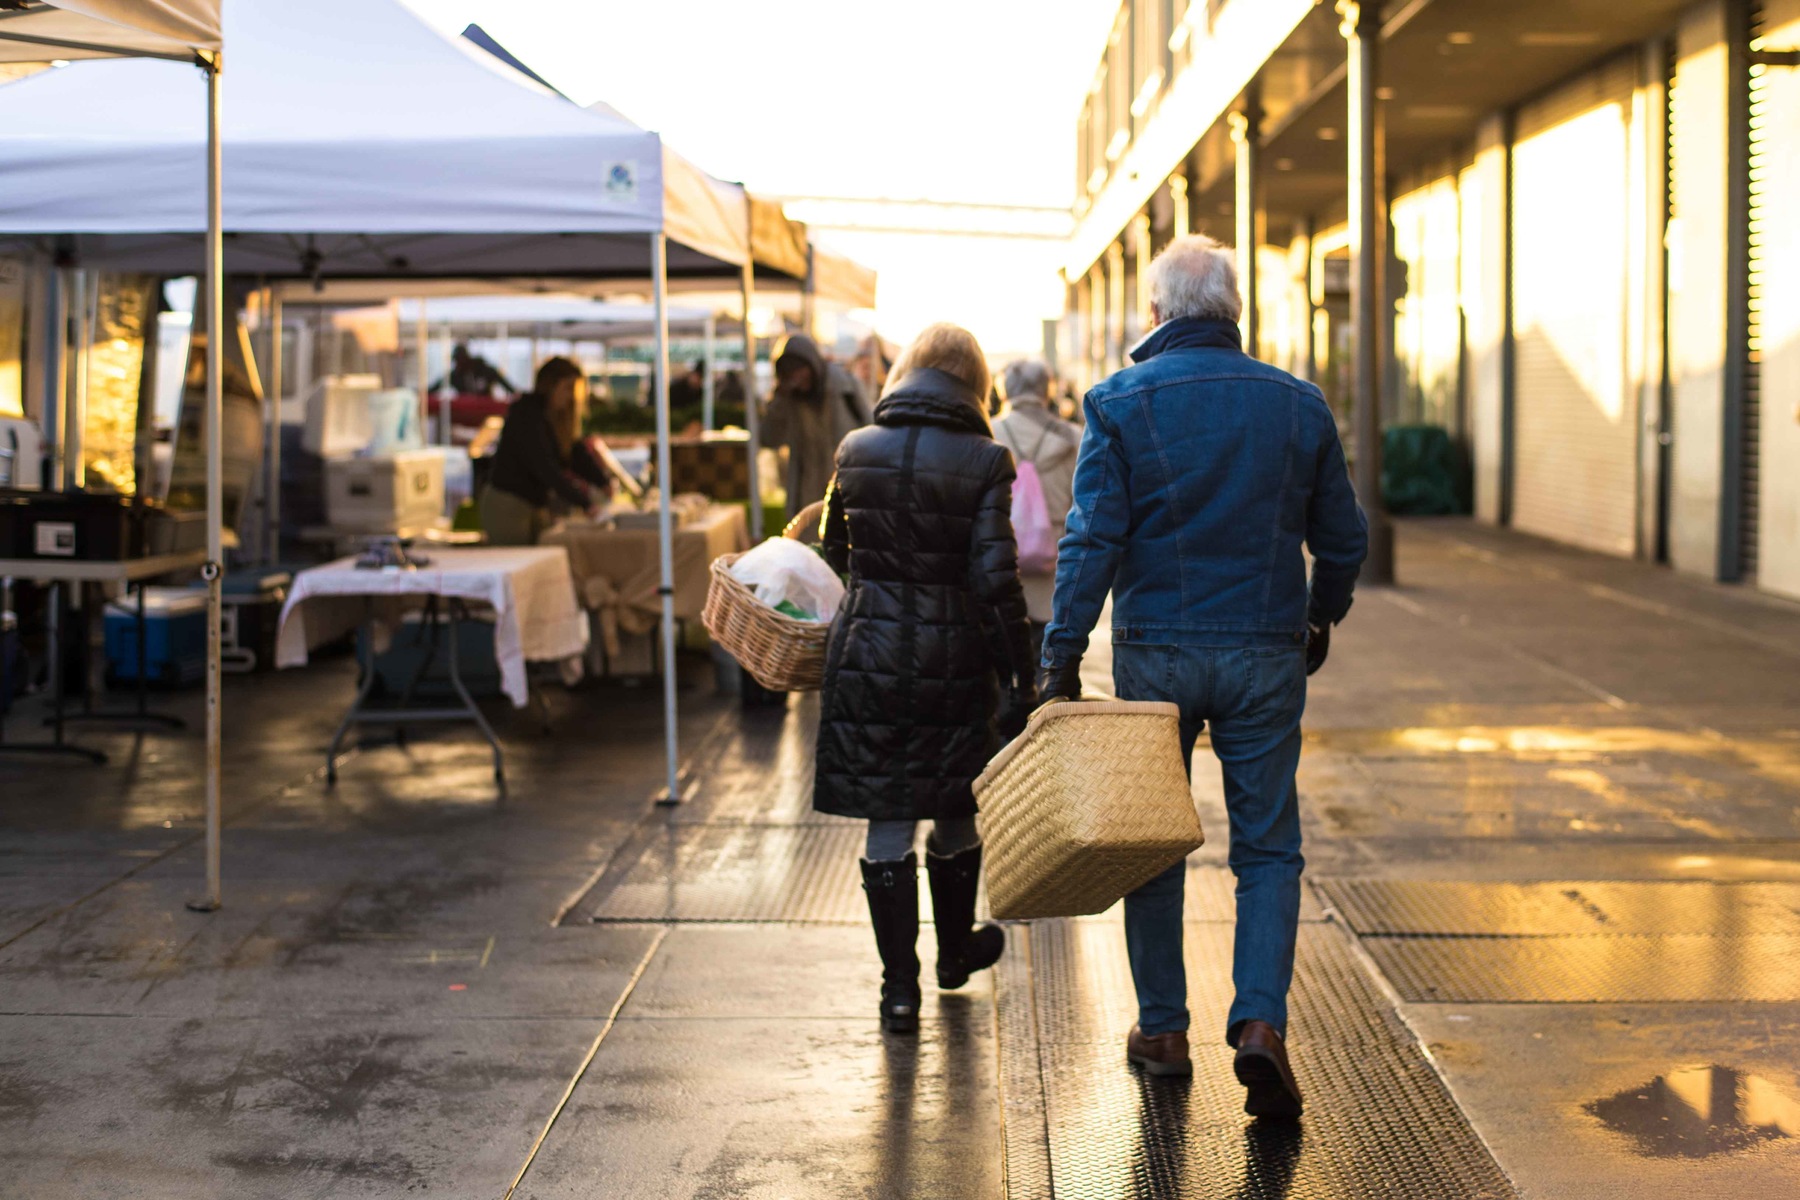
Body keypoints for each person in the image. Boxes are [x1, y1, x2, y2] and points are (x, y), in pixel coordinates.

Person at [1038, 234, 1368, 1118]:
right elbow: (1343, 537)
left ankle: (1164, 1030)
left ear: (1156, 314)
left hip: (1157, 655)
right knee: (1267, 848)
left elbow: (1092, 541)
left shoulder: (1117, 402)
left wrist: (1059, 656)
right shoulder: (1298, 405)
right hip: (1266, 649)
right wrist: (1318, 614)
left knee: (1153, 839)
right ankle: (1259, 1024)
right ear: (1232, 313)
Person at [814, 323, 1036, 1034]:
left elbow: (832, 552)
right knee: (955, 806)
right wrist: (1023, 675)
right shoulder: (986, 460)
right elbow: (995, 580)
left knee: (888, 818)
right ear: (975, 384)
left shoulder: (854, 450)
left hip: (868, 657)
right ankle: (954, 951)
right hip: (954, 661)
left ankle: (898, 989)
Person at [990, 359, 1080, 653]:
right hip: (1055, 567)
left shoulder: (988, 433)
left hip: (1000, 561)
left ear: (1003, 389)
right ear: (1047, 389)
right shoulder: (1074, 438)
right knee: (1049, 666)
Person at [478, 357, 610, 545]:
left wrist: (601, 480)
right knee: (519, 562)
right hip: (508, 504)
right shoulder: (526, 415)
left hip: (534, 505)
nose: (571, 395)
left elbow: (574, 452)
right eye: (567, 388)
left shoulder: (554, 418)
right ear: (550, 385)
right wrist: (585, 503)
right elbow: (545, 468)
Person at [762, 333, 871, 520]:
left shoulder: (846, 389)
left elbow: (870, 430)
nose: (797, 378)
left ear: (811, 364)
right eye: (791, 374)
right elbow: (768, 438)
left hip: (847, 488)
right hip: (807, 495)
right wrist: (779, 398)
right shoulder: (790, 400)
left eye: (799, 370)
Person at [435, 343, 515, 396]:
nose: (458, 364)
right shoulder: (455, 375)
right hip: (465, 414)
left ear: (467, 359)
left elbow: (507, 386)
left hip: (485, 412)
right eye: (456, 361)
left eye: (460, 360)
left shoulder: (485, 371)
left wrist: (516, 394)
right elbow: (437, 385)